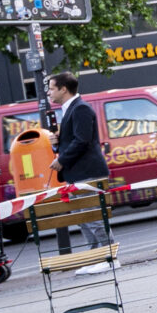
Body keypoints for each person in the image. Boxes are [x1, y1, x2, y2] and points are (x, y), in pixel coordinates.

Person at [47, 72, 110, 252]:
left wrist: (61, 160)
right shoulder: (70, 108)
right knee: (82, 218)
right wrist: (58, 143)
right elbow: (75, 139)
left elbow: (82, 140)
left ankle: (109, 255)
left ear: (63, 89)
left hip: (87, 172)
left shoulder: (80, 108)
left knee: (93, 218)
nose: (49, 93)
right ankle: (96, 255)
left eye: (51, 89)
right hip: (78, 173)